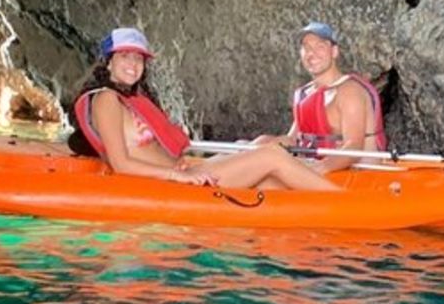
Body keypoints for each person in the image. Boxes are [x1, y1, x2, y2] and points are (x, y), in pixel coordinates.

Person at [68, 27, 338, 190]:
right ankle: (346, 203)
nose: (133, 63)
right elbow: (120, 163)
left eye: (138, 57)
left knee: (258, 157)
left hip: (186, 172)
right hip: (178, 183)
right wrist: (175, 176)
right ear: (108, 62)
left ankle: (336, 199)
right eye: (124, 56)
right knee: (271, 156)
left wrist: (180, 170)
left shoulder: (128, 98)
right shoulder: (106, 100)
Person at [256, 21, 388, 174]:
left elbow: (353, 149)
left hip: (358, 178)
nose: (312, 53)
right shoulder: (306, 93)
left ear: (334, 52)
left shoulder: (350, 92)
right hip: (318, 172)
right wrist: (258, 147)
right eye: (306, 47)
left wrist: (314, 170)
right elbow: (292, 139)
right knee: (259, 142)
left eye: (320, 47)